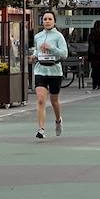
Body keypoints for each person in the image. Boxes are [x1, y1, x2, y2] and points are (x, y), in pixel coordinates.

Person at [31, 9, 68, 139]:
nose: (47, 21)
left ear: (54, 21)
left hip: (55, 71)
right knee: (41, 99)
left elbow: (64, 54)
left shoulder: (58, 36)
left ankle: (58, 120)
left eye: (49, 19)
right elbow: (37, 50)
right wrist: (33, 56)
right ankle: (41, 129)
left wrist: (51, 48)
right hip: (40, 69)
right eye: (45, 19)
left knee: (54, 101)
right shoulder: (38, 36)